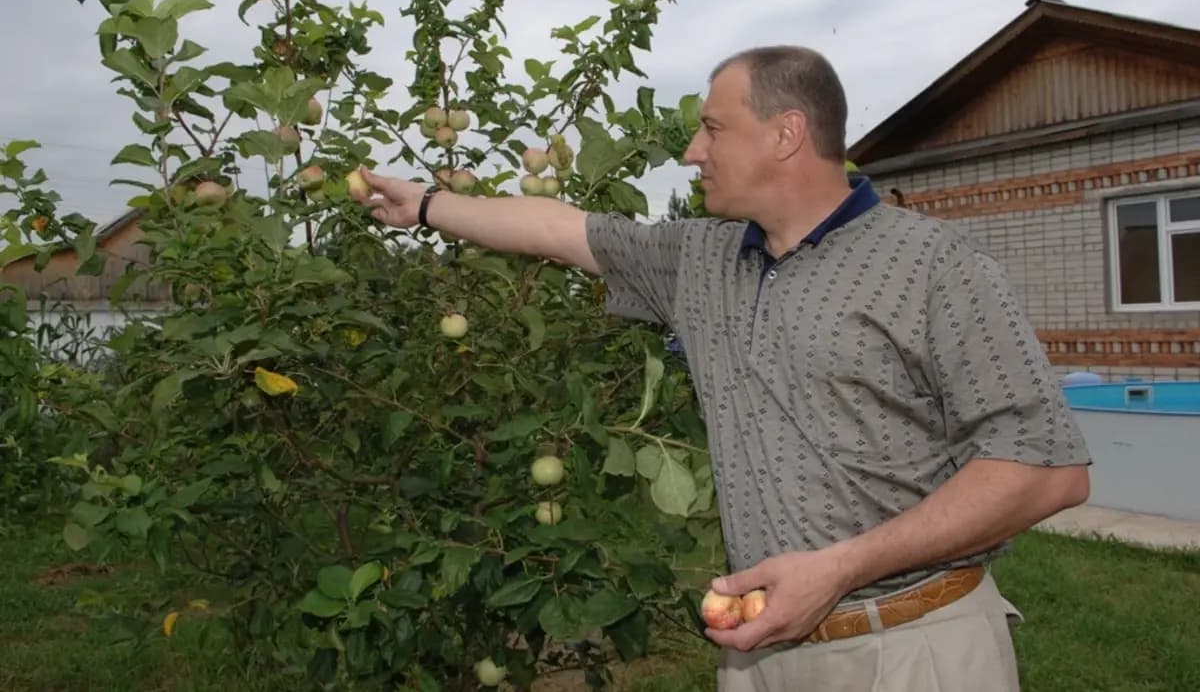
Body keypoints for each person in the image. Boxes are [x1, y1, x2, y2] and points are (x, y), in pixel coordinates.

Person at [353, 45, 1092, 691]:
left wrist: (839, 567)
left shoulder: (936, 266)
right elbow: (556, 228)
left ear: (786, 133)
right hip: (758, 654)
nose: (692, 153)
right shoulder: (701, 260)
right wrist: (427, 205)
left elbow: (1046, 469)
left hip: (911, 649)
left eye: (712, 128)